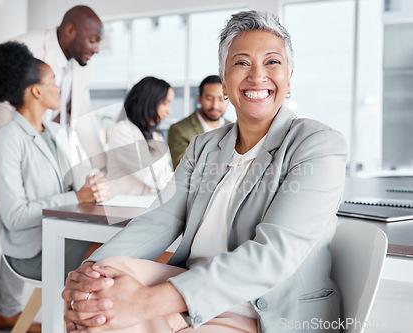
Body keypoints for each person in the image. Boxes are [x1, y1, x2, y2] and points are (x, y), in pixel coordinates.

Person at [62, 10, 348, 333]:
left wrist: (144, 302)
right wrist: (89, 271)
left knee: (105, 313)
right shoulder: (203, 147)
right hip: (189, 294)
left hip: (265, 312)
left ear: (289, 79)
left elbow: (272, 256)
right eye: (242, 63)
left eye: (272, 62)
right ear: (224, 82)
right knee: (101, 284)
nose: (257, 75)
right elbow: (160, 219)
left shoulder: (317, 144)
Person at [0, 5, 103, 333]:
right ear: (70, 30)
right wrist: (20, 147)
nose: (96, 47)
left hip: (27, 140)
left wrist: (99, 169)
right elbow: (1, 104)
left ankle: (8, 313)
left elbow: (82, 120)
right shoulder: (28, 49)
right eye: (92, 39)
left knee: (26, 225)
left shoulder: (78, 66)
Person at [0, 40, 110, 301]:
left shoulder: (57, 132)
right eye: (52, 80)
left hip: (69, 232)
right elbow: (15, 217)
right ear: (36, 92)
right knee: (116, 258)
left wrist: (94, 186)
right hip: (35, 251)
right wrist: (76, 198)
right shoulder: (5, 140)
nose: (59, 86)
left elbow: (76, 183)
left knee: (125, 247)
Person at [106, 77, 174, 196]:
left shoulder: (156, 135)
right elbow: (150, 174)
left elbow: (165, 173)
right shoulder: (123, 130)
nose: (169, 111)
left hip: (149, 204)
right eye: (164, 103)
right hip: (124, 206)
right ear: (149, 100)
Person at [168, 75, 231, 169]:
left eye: (221, 99)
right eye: (209, 99)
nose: (215, 105)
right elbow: (183, 170)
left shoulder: (234, 128)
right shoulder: (179, 130)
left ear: (228, 100)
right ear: (199, 99)